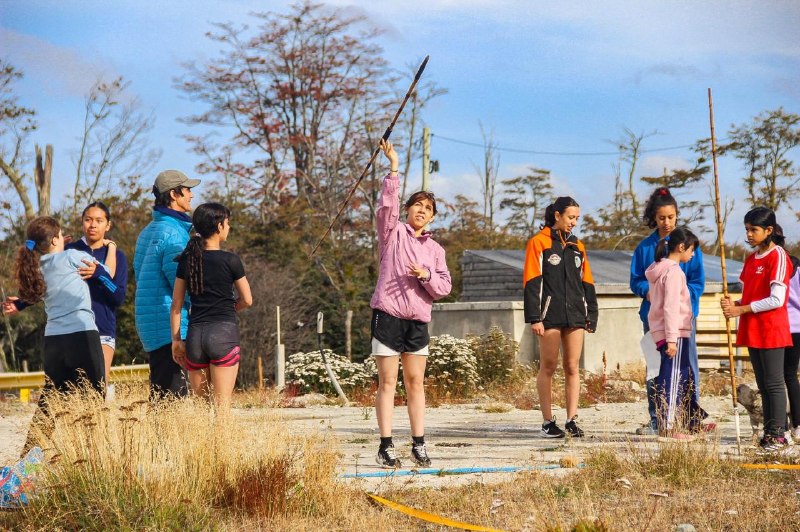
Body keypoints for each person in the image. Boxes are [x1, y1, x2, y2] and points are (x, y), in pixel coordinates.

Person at [370, 139, 451, 469]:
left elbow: (444, 287)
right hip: (388, 316)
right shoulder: (392, 233)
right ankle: (385, 446)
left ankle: (419, 444)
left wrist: (426, 275)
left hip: (417, 321)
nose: (422, 210)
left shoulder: (436, 250)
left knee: (416, 383)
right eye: (417, 205)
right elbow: (385, 207)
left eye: (428, 208)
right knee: (388, 382)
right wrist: (394, 168)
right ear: (407, 209)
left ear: (432, 217)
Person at [2, 216, 114, 451]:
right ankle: (95, 457)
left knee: (50, 402)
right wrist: (108, 253)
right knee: (94, 398)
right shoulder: (73, 256)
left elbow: (35, 293)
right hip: (82, 335)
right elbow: (107, 275)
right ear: (55, 239)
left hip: (54, 341)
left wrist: (19, 303)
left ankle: (28, 461)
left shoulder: (37, 268)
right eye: (61, 234)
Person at [629, 187, 705, 435]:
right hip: (654, 319)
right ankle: (658, 418)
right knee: (656, 369)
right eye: (662, 218)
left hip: (682, 319)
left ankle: (689, 417)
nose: (667, 222)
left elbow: (697, 282)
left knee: (686, 369)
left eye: (671, 217)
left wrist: (681, 295)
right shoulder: (644, 248)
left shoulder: (688, 245)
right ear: (654, 217)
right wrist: (651, 292)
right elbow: (636, 280)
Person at [523, 196, 598, 439]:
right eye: (570, 217)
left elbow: (587, 281)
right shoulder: (538, 242)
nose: (574, 222)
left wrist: (591, 313)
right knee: (548, 366)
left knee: (572, 367)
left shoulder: (578, 246)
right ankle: (547, 422)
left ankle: (572, 420)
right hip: (549, 315)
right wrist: (535, 317)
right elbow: (532, 281)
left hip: (576, 314)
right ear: (557, 215)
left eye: (577, 218)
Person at [721, 207, 793, 452]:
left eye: (754, 230)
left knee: (774, 383)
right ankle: (769, 433)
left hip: (771, 328)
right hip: (753, 328)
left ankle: (779, 435)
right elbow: (750, 296)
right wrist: (734, 304)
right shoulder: (751, 259)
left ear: (769, 230)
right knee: (762, 384)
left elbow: (776, 299)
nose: (749, 234)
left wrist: (741, 309)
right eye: (747, 230)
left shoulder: (778, 256)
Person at [170, 203, 252, 411]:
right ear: (219, 226)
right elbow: (247, 300)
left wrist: (176, 340)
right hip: (223, 334)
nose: (229, 227)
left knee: (201, 410)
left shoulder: (187, 261)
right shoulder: (231, 260)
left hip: (195, 337)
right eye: (227, 223)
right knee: (222, 409)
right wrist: (229, 308)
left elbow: (176, 304)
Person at [134, 169, 200, 400]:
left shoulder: (147, 232)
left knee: (162, 395)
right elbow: (182, 286)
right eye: (187, 190)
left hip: (152, 324)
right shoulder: (173, 234)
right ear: (174, 194)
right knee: (173, 398)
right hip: (172, 325)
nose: (191, 195)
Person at [646, 227, 705, 438]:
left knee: (682, 377)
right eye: (691, 250)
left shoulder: (660, 269)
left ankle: (690, 420)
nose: (692, 255)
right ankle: (668, 427)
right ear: (681, 247)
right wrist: (672, 340)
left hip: (667, 332)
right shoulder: (673, 272)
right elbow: (670, 307)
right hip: (674, 334)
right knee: (672, 379)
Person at [65, 202, 127, 398]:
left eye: (99, 221)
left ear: (108, 225)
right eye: (88, 219)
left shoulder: (117, 256)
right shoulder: (69, 250)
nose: (93, 225)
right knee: (72, 393)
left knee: (97, 390)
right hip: (71, 330)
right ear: (82, 222)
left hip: (103, 331)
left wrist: (99, 274)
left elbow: (118, 296)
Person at [786, 255, 800, 442]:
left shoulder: (776, 265)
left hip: (782, 325)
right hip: (796, 326)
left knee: (778, 378)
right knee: (790, 376)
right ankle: (797, 424)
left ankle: (782, 426)